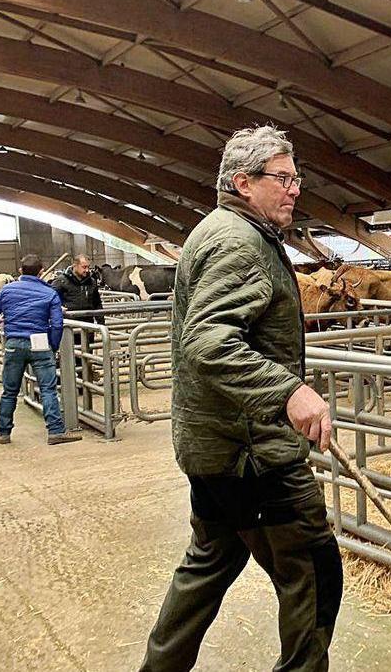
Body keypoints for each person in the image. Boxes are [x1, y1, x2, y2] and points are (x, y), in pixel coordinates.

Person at [141, 125, 341, 672]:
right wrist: (289, 391)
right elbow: (208, 341)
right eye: (281, 178)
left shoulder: (221, 230)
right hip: (252, 453)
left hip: (214, 446)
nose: (294, 188)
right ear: (242, 183)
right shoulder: (239, 243)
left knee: (209, 561)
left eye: (295, 178)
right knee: (313, 569)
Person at [0, 254, 82, 446]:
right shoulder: (49, 293)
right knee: (48, 389)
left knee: (9, 391)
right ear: (41, 271)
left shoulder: (7, 290)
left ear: (20, 271)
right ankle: (55, 431)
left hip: (14, 343)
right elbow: (58, 324)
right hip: (40, 342)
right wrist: (52, 346)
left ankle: (3, 433)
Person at [50, 254, 104, 377]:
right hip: (69, 326)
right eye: (84, 267)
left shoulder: (91, 282)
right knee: (68, 355)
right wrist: (58, 308)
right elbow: (50, 298)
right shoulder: (61, 281)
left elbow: (97, 303)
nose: (87, 270)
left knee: (86, 355)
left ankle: (84, 383)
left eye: (88, 267)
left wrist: (101, 323)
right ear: (75, 265)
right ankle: (67, 385)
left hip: (87, 325)